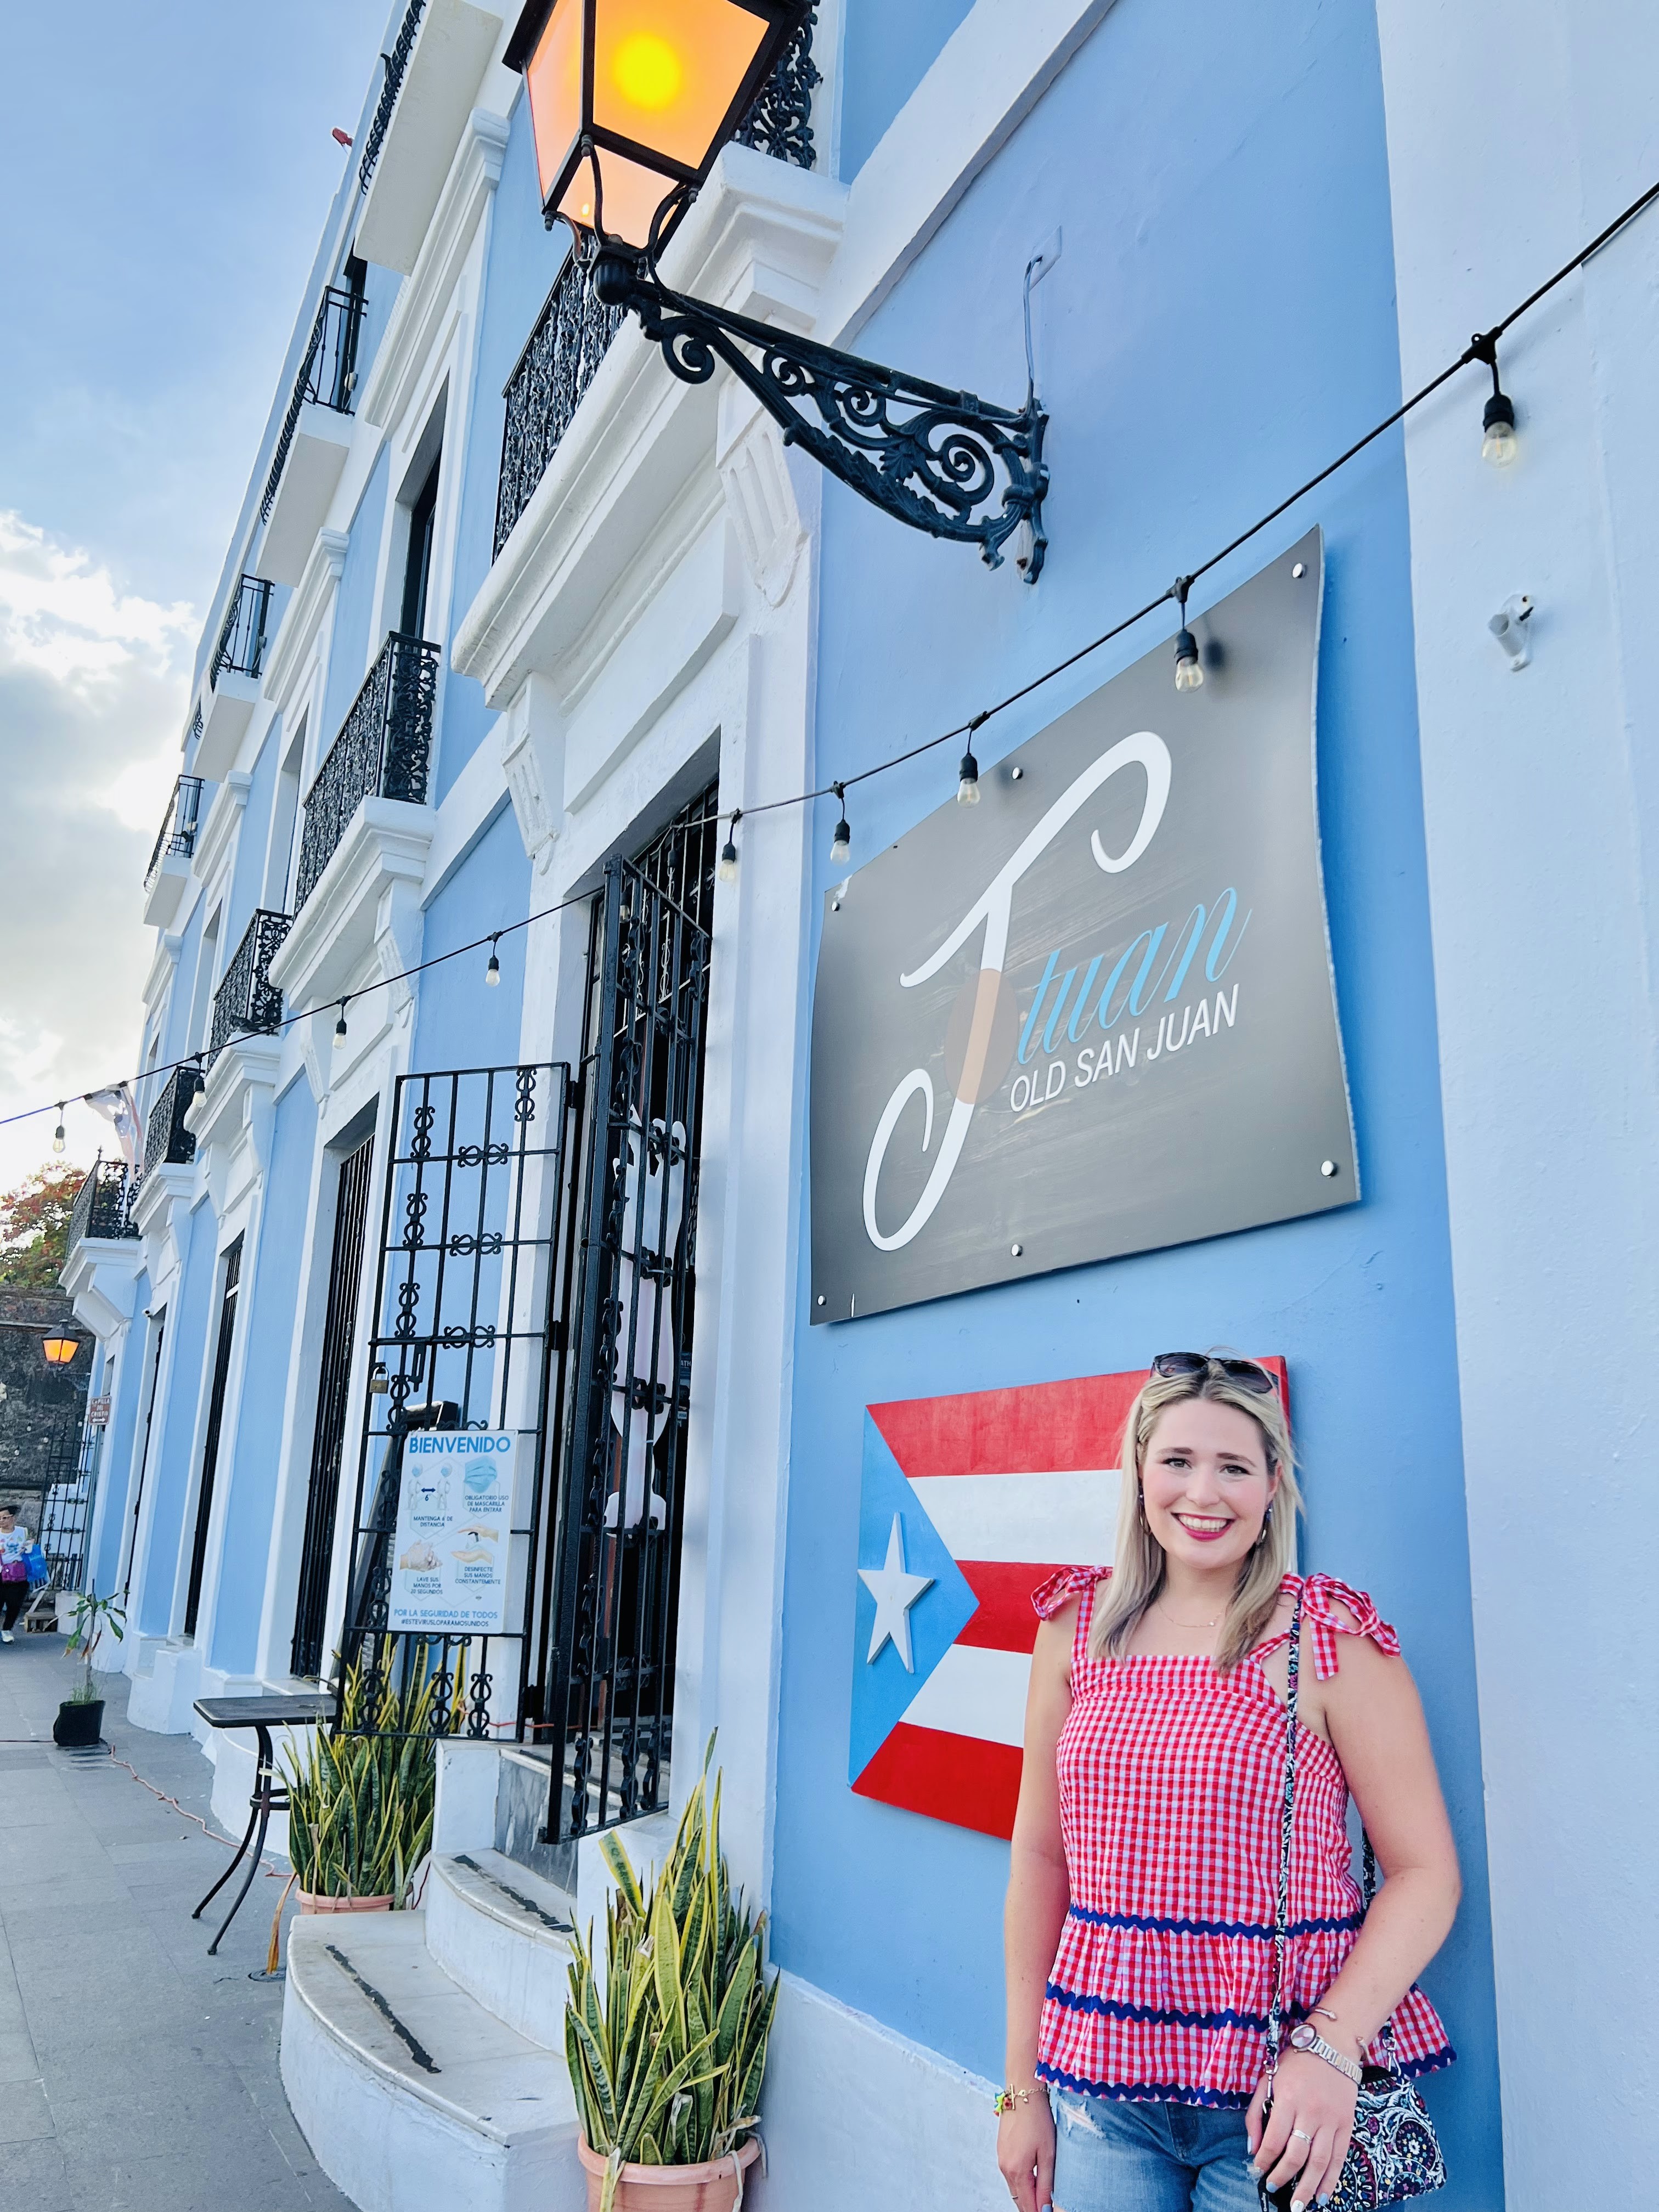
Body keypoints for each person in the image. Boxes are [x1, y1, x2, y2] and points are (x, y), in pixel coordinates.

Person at [998, 1354, 1461, 2212]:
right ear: (1140, 1472)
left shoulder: (1328, 1641)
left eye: (1234, 1467)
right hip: (1102, 2099)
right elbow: (1039, 1860)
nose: (1203, 1493)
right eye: (1177, 1461)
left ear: (1274, 1483)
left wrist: (1330, 2049)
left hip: (1277, 2108)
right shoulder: (1075, 1630)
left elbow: (1426, 1875)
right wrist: (1020, 2091)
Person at [0, 1504, 33, 1641]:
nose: (1, 1521)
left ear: (13, 1518)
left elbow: (31, 1544)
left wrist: (29, 1545)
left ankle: (7, 1630)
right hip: (1, 1573)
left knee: (14, 1604)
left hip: (18, 1574)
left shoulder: (22, 1531)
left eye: (5, 1518)